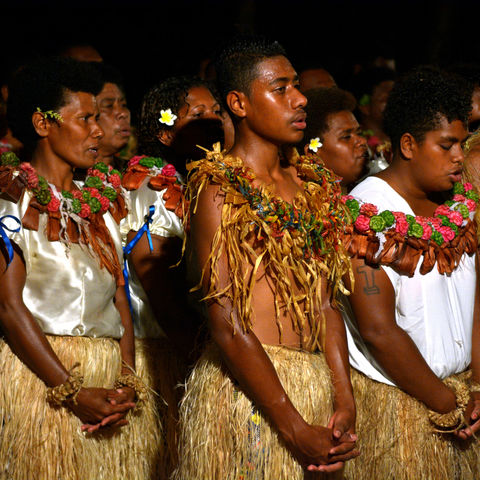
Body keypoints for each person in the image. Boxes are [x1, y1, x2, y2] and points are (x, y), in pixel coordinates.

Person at [173, 35, 359, 480]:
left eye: (297, 86)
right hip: (252, 401)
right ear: (238, 102)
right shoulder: (216, 190)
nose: (299, 100)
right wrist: (293, 427)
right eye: (280, 89)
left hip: (315, 386)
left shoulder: (313, 188)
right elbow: (226, 321)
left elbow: (327, 303)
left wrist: (345, 398)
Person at [0, 56, 162, 479]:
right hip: (43, 381)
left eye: (100, 118)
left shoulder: (100, 206)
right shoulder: (11, 200)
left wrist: (127, 379)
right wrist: (72, 392)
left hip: (108, 379)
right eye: (86, 118)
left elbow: (119, 297)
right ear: (42, 124)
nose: (98, 130)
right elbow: (9, 309)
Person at [341, 65, 480, 479]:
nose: (460, 156)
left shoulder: (458, 204)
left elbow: (477, 301)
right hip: (407, 412)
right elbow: (378, 331)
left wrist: (475, 388)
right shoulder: (367, 212)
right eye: (447, 145)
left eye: (462, 143)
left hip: (463, 402)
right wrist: (446, 404)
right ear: (408, 145)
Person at [120, 74, 226, 474]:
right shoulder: (155, 190)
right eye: (197, 114)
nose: (213, 121)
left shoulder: (200, 186)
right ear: (165, 135)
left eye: (217, 111)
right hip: (167, 356)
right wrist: (207, 369)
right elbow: (162, 293)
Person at [299, 86, 368, 190]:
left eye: (359, 133)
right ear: (312, 154)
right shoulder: (305, 203)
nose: (362, 141)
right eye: (346, 137)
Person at [351, 66, 396, 175]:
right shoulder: (357, 146)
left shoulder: (401, 139)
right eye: (386, 99)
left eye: (396, 97)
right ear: (365, 107)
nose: (395, 104)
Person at [90, 62, 134, 170]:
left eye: (124, 105)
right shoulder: (70, 180)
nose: (123, 113)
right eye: (108, 106)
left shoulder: (136, 174)